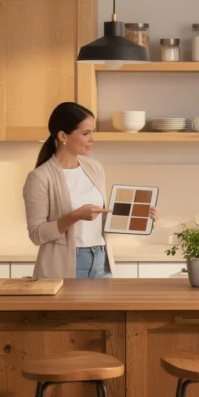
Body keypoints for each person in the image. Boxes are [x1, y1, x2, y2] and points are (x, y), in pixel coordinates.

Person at [23, 102, 159, 279]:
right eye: (86, 133)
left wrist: (142, 216)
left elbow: (103, 221)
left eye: (92, 132)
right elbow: (37, 235)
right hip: (66, 265)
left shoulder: (94, 168)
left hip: (102, 261)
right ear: (63, 135)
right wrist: (74, 216)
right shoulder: (40, 177)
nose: (92, 139)